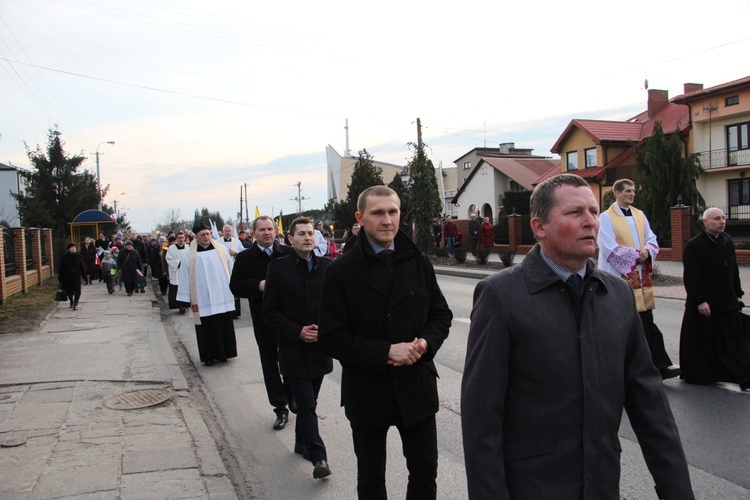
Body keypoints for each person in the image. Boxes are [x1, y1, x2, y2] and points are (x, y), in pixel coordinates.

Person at [461, 174, 693, 499]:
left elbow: (651, 406)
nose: (590, 222)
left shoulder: (618, 295)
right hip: (533, 488)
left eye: (594, 212)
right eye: (575, 213)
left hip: (601, 485)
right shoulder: (501, 296)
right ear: (540, 227)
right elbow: (481, 421)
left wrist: (678, 491)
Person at [319, 186, 452, 499]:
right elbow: (331, 338)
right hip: (368, 390)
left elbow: (441, 315)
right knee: (371, 479)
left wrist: (425, 343)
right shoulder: (340, 271)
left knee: (423, 474)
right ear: (360, 217)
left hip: (416, 385)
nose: (387, 220)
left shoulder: (418, 261)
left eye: (393, 212)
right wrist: (385, 351)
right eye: (378, 212)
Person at [262, 217, 333, 480]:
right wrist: (296, 331)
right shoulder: (278, 269)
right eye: (301, 233)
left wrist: (323, 330)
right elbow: (269, 311)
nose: (306, 237)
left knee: (309, 402)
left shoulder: (327, 268)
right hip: (292, 350)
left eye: (310, 233)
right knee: (305, 405)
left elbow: (337, 309)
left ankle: (301, 443)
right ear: (290, 239)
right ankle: (318, 456)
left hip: (319, 350)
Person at [597, 178, 681, 380]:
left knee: (646, 321)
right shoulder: (605, 217)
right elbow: (608, 246)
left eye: (633, 190)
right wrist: (636, 255)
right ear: (616, 193)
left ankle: (658, 366)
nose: (632, 194)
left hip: (641, 278)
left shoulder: (639, 214)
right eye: (627, 190)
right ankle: (628, 369)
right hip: (620, 277)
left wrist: (647, 251)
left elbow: (652, 238)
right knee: (628, 324)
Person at [230, 215, 294, 430]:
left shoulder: (288, 253)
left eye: (270, 229)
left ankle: (293, 395)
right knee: (270, 364)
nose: (267, 233)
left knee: (291, 359)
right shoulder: (245, 258)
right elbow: (236, 286)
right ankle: (280, 408)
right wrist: (258, 285)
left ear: (276, 232)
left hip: (289, 318)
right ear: (253, 233)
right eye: (262, 229)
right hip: (263, 317)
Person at [680, 207, 750, 391]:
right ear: (705, 222)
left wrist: (737, 293)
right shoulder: (694, 246)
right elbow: (692, 277)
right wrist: (700, 300)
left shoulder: (727, 241)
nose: (722, 221)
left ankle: (743, 376)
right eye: (717, 218)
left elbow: (733, 269)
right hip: (706, 304)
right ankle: (702, 374)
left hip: (727, 301)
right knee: (705, 343)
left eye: (723, 218)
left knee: (734, 342)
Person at [177, 222, 238, 366]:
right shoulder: (189, 255)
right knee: (206, 327)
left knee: (223, 324)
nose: (206, 237)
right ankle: (209, 356)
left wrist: (234, 287)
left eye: (208, 234)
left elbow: (231, 268)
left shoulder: (221, 250)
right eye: (202, 235)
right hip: (202, 297)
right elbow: (184, 276)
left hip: (221, 294)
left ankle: (225, 353)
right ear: (196, 237)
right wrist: (185, 298)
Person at [216, 224, 243, 318]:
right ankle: (226, 311)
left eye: (229, 231)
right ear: (223, 232)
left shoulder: (237, 242)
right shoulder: (217, 242)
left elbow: (243, 253)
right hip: (223, 268)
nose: (228, 233)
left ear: (232, 232)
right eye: (226, 231)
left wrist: (235, 253)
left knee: (235, 287)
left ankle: (235, 312)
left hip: (235, 267)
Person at [166, 232, 190, 313]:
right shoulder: (171, 248)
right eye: (179, 238)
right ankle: (177, 305)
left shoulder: (188, 247)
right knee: (176, 289)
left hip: (186, 271)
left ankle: (185, 305)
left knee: (185, 288)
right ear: (176, 239)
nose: (181, 239)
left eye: (182, 238)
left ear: (185, 238)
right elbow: (169, 258)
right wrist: (179, 263)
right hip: (176, 270)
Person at [59, 242, 85, 310]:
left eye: (74, 247)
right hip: (67, 276)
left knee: (77, 290)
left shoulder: (78, 256)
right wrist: (60, 278)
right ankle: (71, 301)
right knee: (69, 290)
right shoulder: (64, 257)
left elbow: (82, 267)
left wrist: (84, 276)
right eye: (71, 248)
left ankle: (76, 302)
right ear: (68, 249)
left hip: (76, 276)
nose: (73, 249)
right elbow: (61, 268)